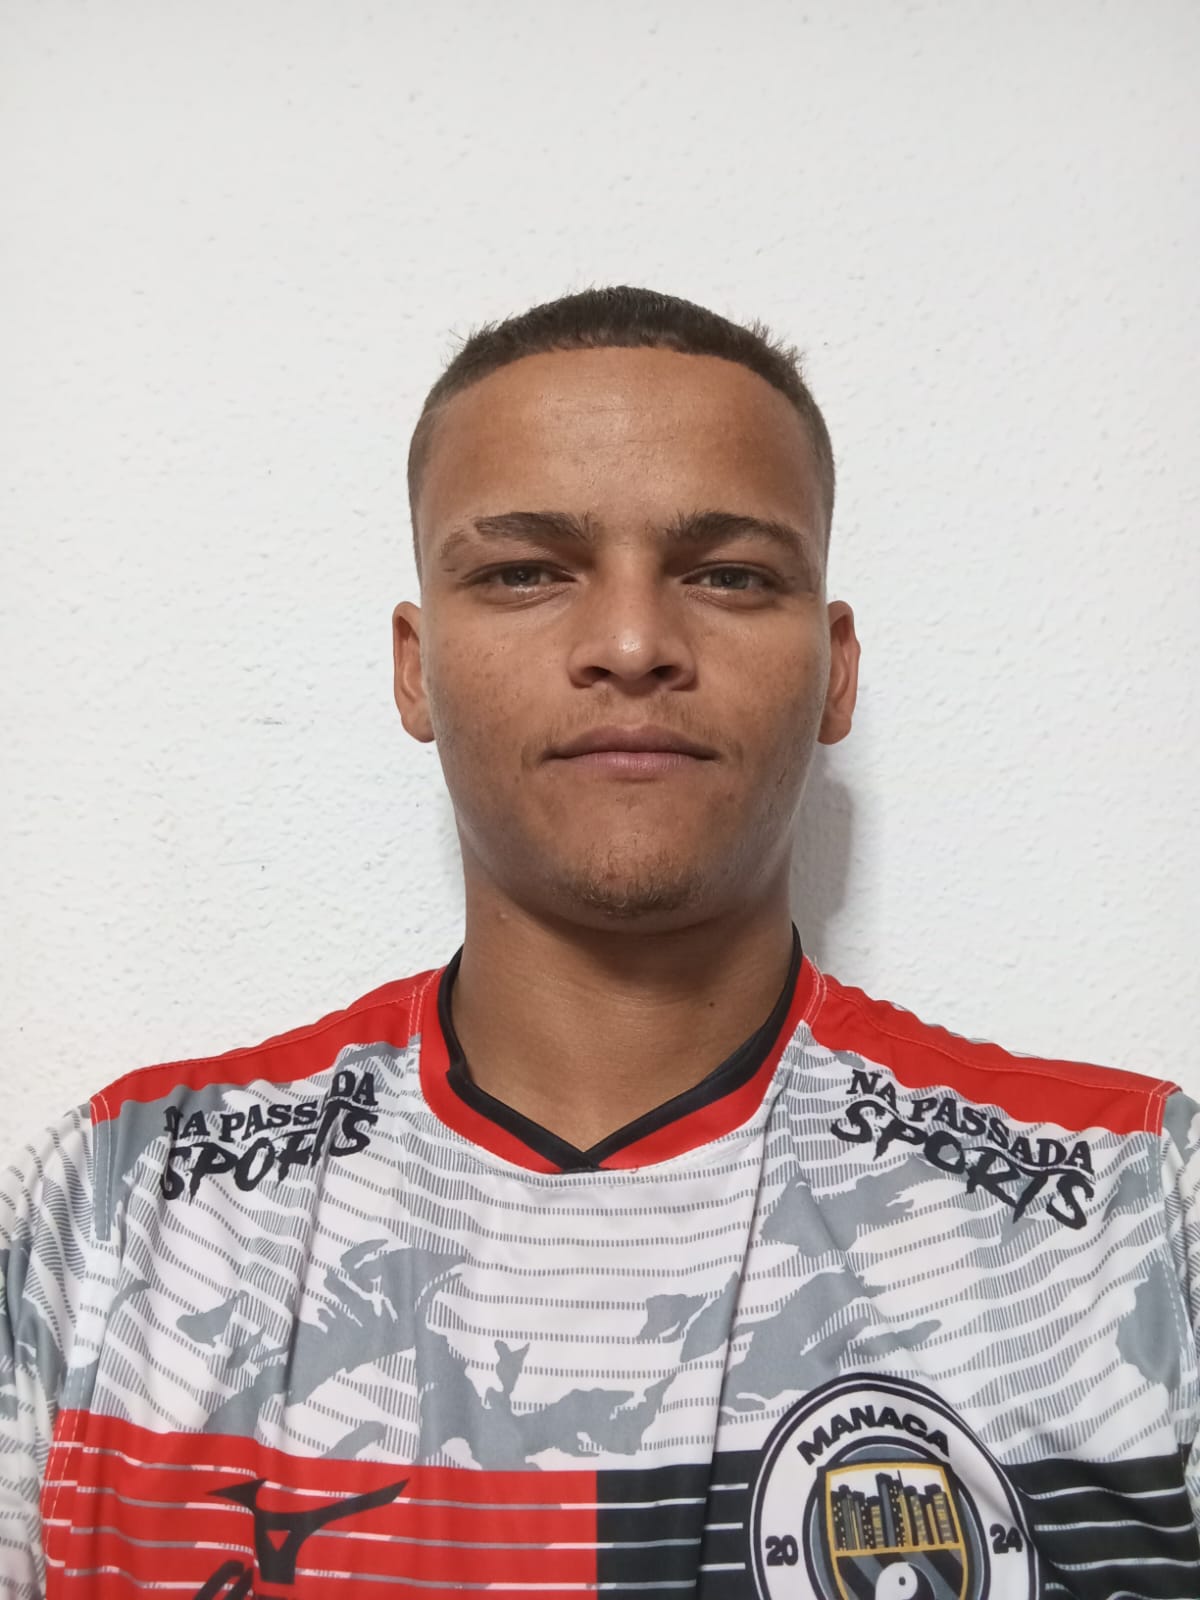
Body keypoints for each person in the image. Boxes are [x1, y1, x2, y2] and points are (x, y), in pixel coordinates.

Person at [1, 284, 1197, 1600]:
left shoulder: (1139, 1215)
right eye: (524, 572)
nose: (632, 645)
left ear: (837, 668)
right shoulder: (118, 1211)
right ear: (414, 667)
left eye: (729, 575)